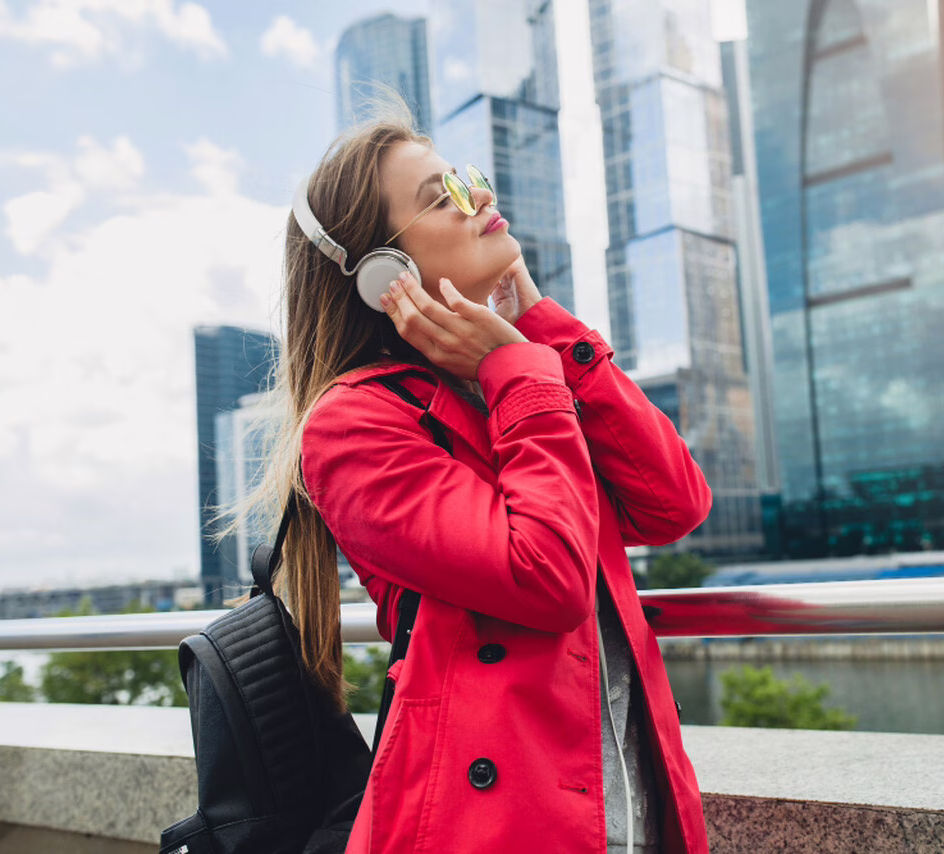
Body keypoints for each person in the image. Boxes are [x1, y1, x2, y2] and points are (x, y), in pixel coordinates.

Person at [260, 103, 712, 853]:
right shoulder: (354, 426)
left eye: (470, 182)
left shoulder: (515, 378)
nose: (481, 202)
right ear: (384, 276)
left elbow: (675, 503)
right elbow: (547, 580)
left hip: (637, 816)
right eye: (443, 199)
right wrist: (520, 374)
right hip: (497, 831)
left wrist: (539, 327)